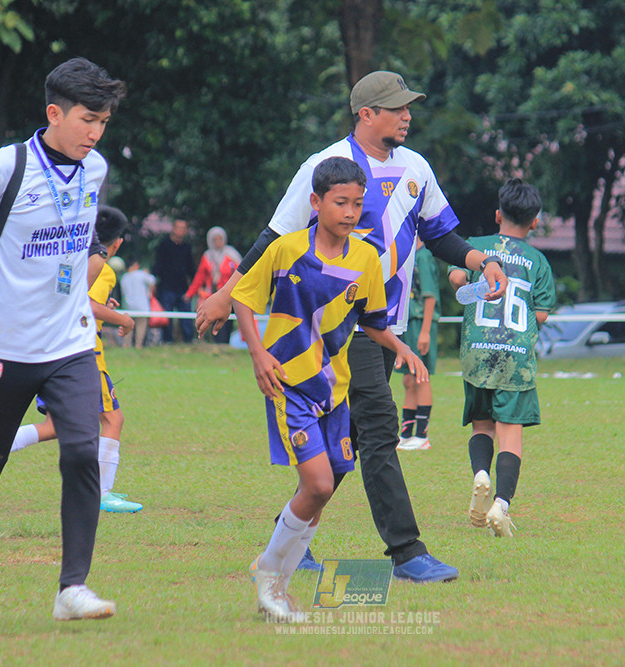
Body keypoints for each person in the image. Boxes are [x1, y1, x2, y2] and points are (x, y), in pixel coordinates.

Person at [196, 70, 508, 583]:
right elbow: (275, 236)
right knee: (383, 429)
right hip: (339, 333)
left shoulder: (417, 168)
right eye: (396, 107)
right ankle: (407, 552)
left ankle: (287, 534)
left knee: (352, 440)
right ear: (366, 114)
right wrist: (225, 294)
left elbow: (443, 236)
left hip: (386, 326)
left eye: (409, 107)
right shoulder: (324, 167)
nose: (407, 115)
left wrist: (481, 260)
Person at [0, 57, 126, 627]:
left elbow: (73, 234)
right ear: (54, 113)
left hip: (69, 343)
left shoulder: (95, 170)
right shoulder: (1, 166)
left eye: (104, 122)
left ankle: (73, 587)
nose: (95, 132)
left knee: (83, 449)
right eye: (88, 119)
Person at [232, 157, 428, 622]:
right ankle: (270, 576)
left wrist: (404, 348)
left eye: (358, 203)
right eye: (341, 202)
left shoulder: (365, 259)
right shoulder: (286, 251)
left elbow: (373, 323)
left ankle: (273, 569)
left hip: (334, 391)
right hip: (291, 386)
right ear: (316, 203)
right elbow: (243, 298)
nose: (350, 211)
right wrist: (260, 354)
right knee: (318, 483)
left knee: (322, 491)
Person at [10, 205, 144, 514]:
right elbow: (81, 301)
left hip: (51, 343)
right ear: (119, 242)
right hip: (83, 349)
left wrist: (102, 307)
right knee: (113, 419)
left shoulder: (74, 251)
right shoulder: (101, 262)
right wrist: (120, 318)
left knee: (56, 425)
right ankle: (102, 494)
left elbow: (70, 294)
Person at [448, 179, 556, 538]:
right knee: (511, 434)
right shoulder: (537, 261)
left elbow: (456, 275)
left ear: (497, 215)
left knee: (482, 425)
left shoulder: (477, 247)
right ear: (535, 222)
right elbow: (540, 314)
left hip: (476, 353)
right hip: (515, 358)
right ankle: (501, 505)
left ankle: (481, 473)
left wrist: (467, 283)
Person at [396, 235, 441, 452]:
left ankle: (422, 435)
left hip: (419, 323)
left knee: (421, 377)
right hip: (405, 324)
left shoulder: (423, 257)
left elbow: (430, 296)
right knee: (408, 379)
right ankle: (405, 434)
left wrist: (425, 332)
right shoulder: (406, 256)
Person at [186, 226, 242, 343]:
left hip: (231, 294)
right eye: (215, 240)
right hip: (214, 294)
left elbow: (241, 274)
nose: (218, 242)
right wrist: (190, 293)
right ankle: (219, 343)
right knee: (217, 319)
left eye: (220, 239)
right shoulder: (207, 256)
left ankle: (225, 343)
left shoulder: (231, 255)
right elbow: (200, 277)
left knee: (229, 321)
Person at [153, 218, 196, 343]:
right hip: (166, 287)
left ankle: (188, 340)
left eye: (183, 228)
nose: (181, 231)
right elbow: (158, 265)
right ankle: (167, 340)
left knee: (186, 316)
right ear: (173, 228)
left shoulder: (187, 248)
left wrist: (195, 285)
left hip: (182, 287)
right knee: (167, 315)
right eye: (179, 227)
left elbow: (190, 268)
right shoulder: (164, 244)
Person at [119, 257, 156, 349]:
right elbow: (152, 280)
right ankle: (138, 345)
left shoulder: (124, 277)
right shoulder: (141, 274)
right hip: (142, 306)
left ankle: (126, 344)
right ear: (135, 265)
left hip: (128, 306)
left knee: (127, 325)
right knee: (141, 326)